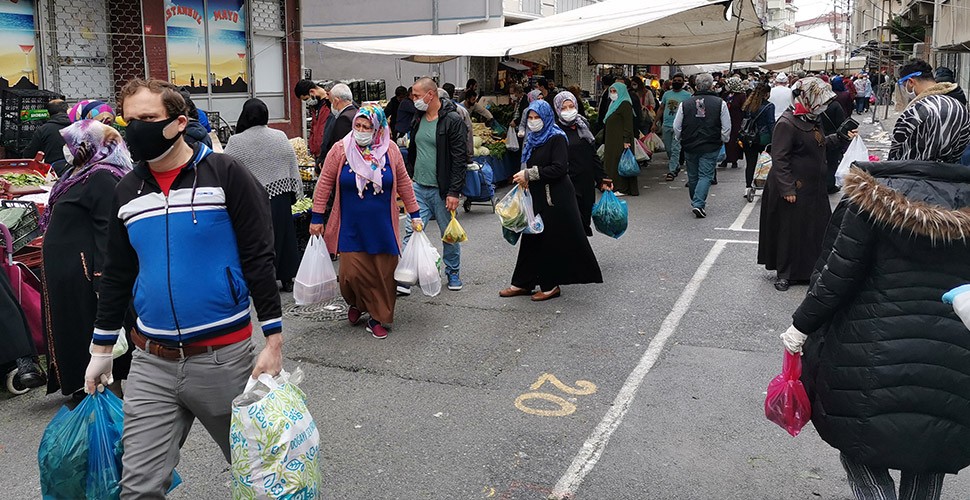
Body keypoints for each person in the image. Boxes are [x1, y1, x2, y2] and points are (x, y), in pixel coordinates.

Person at [85, 78, 283, 497]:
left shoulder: (226, 174)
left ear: (178, 122)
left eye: (148, 119)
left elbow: (258, 256)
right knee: (137, 488)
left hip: (223, 361)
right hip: (150, 363)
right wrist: (101, 351)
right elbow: (118, 273)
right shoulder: (127, 190)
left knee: (265, 479)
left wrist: (273, 339)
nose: (135, 128)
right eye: (129, 120)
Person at [781, 86, 970, 500]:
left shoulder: (869, 198)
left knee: (861, 448)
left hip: (868, 352)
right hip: (955, 359)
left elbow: (835, 276)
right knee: (930, 449)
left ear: (906, 134)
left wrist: (799, 328)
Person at [39, 119, 133, 399]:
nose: (68, 150)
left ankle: (105, 399)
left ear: (91, 145)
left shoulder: (102, 176)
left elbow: (108, 230)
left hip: (85, 277)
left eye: (73, 143)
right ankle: (84, 388)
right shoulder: (77, 172)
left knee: (90, 337)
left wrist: (102, 279)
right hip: (67, 275)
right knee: (72, 332)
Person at [309, 105, 421, 339]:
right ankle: (357, 303)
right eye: (358, 126)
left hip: (383, 226)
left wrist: (415, 214)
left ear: (377, 128)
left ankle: (377, 317)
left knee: (382, 275)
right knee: (350, 274)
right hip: (351, 224)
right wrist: (317, 217)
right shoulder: (341, 150)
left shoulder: (390, 150)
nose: (361, 131)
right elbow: (324, 184)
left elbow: (404, 184)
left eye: (367, 127)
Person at [501, 100, 603, 301]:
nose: (533, 122)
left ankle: (550, 285)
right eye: (529, 118)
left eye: (537, 117)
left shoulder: (556, 137)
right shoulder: (533, 138)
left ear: (546, 117)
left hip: (556, 198)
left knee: (549, 241)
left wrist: (529, 174)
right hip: (538, 195)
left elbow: (559, 168)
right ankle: (522, 282)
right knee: (531, 237)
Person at [758, 77, 848, 291]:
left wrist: (841, 137)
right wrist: (787, 187)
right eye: (821, 101)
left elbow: (819, 144)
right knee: (789, 231)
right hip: (794, 188)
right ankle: (785, 273)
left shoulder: (810, 119)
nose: (824, 106)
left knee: (813, 230)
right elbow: (780, 158)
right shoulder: (787, 123)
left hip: (814, 188)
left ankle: (808, 271)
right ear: (809, 98)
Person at [224, 98, 303, 293]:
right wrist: (292, 192)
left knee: (255, 239)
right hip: (280, 197)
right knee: (284, 237)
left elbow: (226, 168)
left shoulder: (236, 141)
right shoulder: (280, 136)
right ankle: (286, 278)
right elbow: (291, 163)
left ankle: (258, 279)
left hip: (251, 199)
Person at [401, 78, 467, 293]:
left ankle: (453, 271)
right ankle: (406, 274)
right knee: (411, 230)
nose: (414, 100)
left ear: (431, 95)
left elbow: (459, 158)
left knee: (448, 233)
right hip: (418, 186)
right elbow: (414, 149)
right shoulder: (418, 117)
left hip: (442, 189)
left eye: (417, 95)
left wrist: (454, 191)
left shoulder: (452, 120)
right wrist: (410, 175)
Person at [553, 91, 612, 236]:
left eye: (571, 106)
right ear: (557, 110)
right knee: (571, 225)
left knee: (584, 222)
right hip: (566, 184)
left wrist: (602, 179)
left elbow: (593, 155)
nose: (568, 111)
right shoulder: (554, 132)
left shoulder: (583, 126)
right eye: (564, 108)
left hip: (585, 184)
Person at [673, 73, 730, 218]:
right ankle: (698, 203)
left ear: (696, 86)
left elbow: (677, 125)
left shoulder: (685, 103)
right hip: (710, 143)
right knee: (705, 175)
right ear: (712, 86)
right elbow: (726, 126)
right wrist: (724, 139)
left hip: (690, 143)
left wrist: (679, 138)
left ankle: (696, 199)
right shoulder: (720, 103)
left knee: (693, 175)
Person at [601, 81, 637, 196]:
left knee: (620, 162)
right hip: (612, 140)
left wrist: (626, 140)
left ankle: (622, 188)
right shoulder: (613, 104)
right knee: (612, 162)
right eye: (611, 91)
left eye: (615, 91)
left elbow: (628, 124)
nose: (612, 93)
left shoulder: (625, 104)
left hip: (620, 140)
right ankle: (612, 185)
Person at [740, 84, 775, 200]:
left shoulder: (748, 105)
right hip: (764, 138)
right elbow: (771, 123)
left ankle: (748, 187)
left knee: (750, 163)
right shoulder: (769, 106)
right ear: (767, 94)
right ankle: (767, 185)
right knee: (767, 163)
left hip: (748, 138)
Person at [23, 99, 71, 175]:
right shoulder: (77, 126)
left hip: (55, 172)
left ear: (48, 113)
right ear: (67, 110)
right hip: (78, 169)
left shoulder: (43, 130)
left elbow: (29, 154)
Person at [658, 73, 691, 182]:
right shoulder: (666, 94)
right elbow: (661, 108)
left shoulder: (687, 95)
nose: (677, 82)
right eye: (675, 80)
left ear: (683, 83)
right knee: (668, 149)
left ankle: (671, 171)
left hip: (679, 126)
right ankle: (675, 165)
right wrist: (655, 122)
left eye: (679, 81)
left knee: (675, 149)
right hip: (666, 125)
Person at [898, 59, 966, 108]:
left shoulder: (922, 109)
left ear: (911, 82)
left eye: (904, 85)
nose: (905, 89)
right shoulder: (956, 96)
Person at [294, 79, 332, 160]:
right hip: (318, 155)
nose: (307, 102)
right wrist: (313, 150)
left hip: (327, 154)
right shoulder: (316, 106)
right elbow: (314, 129)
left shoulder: (330, 104)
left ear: (312, 91)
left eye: (306, 99)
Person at [320, 83, 358, 163]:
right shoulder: (356, 113)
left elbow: (339, 146)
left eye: (331, 101)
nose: (331, 105)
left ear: (336, 101)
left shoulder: (343, 119)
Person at [819, 89, 848, 194]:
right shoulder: (835, 106)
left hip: (819, 136)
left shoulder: (817, 106)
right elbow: (841, 123)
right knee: (832, 163)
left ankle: (822, 184)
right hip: (833, 138)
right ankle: (829, 186)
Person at [720, 76, 747, 169]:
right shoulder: (725, 94)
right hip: (725, 119)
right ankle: (725, 158)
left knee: (734, 140)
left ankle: (734, 160)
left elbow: (744, 108)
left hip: (736, 120)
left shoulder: (741, 96)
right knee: (725, 139)